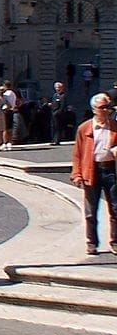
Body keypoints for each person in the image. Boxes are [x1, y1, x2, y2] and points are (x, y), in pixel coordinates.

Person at [70, 93, 117, 256]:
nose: (106, 110)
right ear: (94, 109)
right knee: (91, 210)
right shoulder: (84, 128)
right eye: (102, 107)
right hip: (92, 170)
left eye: (108, 107)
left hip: (111, 170)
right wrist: (77, 174)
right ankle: (92, 242)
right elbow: (77, 153)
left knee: (115, 208)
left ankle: (115, 241)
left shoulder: (115, 126)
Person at [52, 81, 70, 146]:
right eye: (56, 87)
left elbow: (62, 106)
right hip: (53, 113)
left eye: (59, 87)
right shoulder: (55, 95)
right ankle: (53, 139)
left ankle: (57, 140)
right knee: (54, 127)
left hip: (59, 115)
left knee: (58, 127)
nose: (57, 89)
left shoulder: (63, 96)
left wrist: (57, 113)